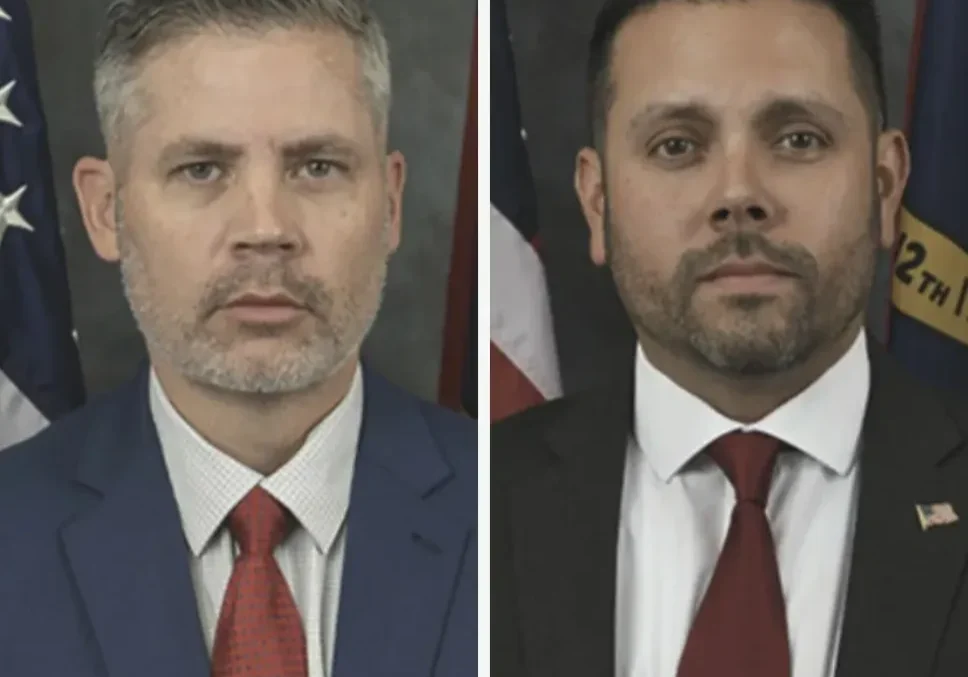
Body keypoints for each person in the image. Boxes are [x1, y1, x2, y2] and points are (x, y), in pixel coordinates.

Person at [492, 1, 968, 676]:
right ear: (598, 203)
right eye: (677, 145)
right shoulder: (471, 511)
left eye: (799, 138)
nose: (739, 192)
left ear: (886, 186)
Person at [0, 1, 476, 676]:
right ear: (106, 210)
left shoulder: (516, 518)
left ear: (391, 202)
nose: (264, 226)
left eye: (316, 166)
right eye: (202, 168)